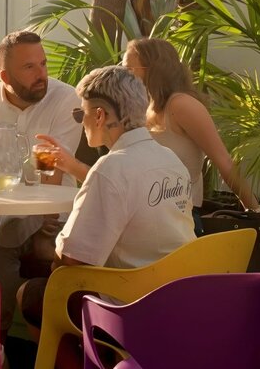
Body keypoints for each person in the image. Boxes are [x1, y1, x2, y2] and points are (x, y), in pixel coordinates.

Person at [18, 66, 196, 368]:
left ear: (99, 116)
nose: (81, 123)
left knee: (33, 294)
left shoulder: (111, 168)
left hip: (130, 305)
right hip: (178, 295)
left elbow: (72, 262)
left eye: (81, 115)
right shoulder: (169, 159)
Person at [0, 30, 82, 337]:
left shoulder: (66, 98)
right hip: (1, 213)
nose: (41, 74)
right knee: (2, 231)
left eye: (43, 64)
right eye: (29, 67)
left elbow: (53, 173)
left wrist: (42, 221)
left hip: (56, 212)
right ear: (5, 75)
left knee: (5, 235)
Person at [123, 38, 260, 232]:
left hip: (179, 218)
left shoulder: (182, 105)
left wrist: (255, 211)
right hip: (143, 215)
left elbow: (223, 161)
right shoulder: (148, 108)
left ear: (153, 69)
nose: (123, 76)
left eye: (128, 69)